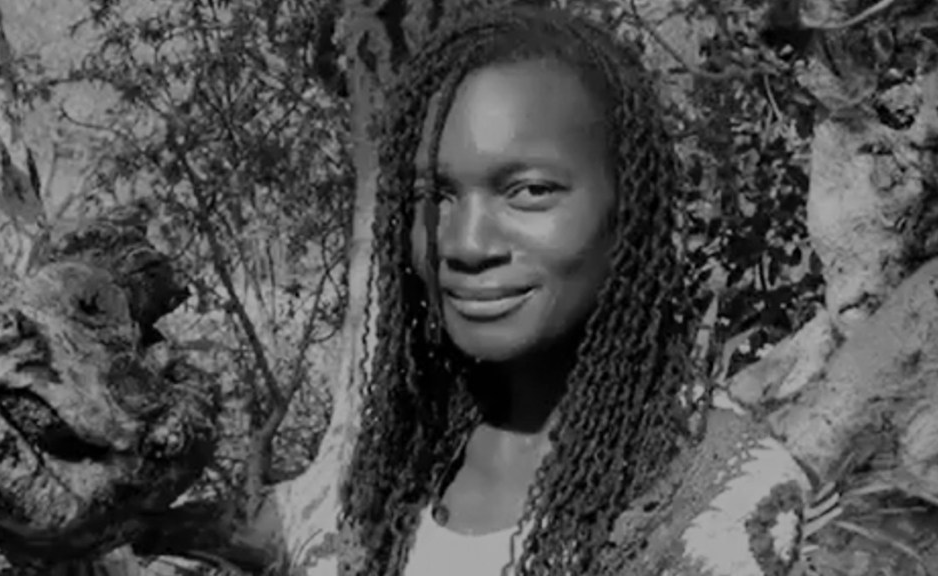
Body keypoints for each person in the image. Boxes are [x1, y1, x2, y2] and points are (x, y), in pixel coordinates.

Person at [327, 6, 816, 576]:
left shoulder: (719, 494)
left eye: (530, 191)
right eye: (435, 196)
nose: (465, 243)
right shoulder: (405, 459)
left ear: (628, 209)